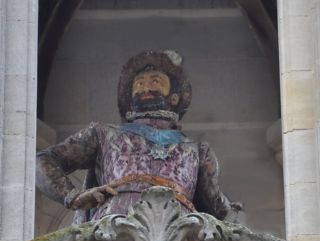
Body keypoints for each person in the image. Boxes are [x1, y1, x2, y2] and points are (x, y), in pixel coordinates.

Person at [36, 50, 238, 224]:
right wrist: (73, 197)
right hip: (115, 228)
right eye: (139, 83)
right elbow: (43, 160)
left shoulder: (197, 150)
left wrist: (232, 209)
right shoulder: (103, 134)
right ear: (130, 99)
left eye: (155, 81)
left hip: (179, 234)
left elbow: (215, 206)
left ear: (174, 97)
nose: (145, 88)